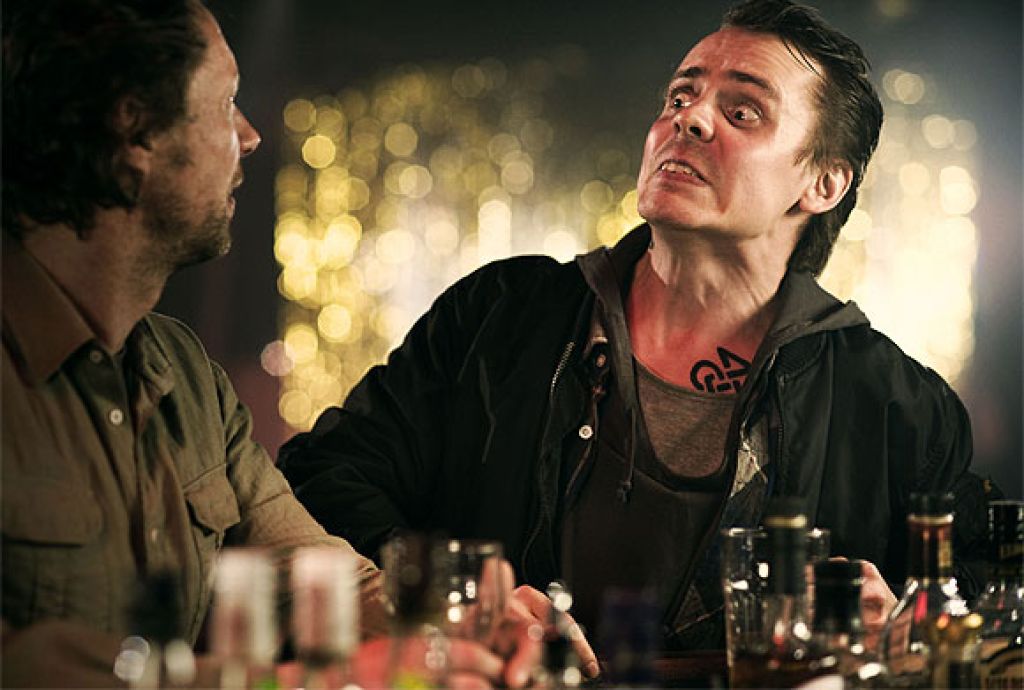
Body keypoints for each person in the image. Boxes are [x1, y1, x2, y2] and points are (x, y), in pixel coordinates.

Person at [279, 0, 995, 662]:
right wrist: (451, 598)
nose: (690, 120)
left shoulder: (894, 402)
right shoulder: (501, 315)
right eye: (680, 97)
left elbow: (989, 580)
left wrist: (916, 619)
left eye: (743, 111)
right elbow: (323, 481)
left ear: (823, 183)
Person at [1, 1, 541, 687]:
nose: (251, 136)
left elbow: (308, 572)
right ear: (135, 130)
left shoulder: (187, 376)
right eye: (227, 103)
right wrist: (303, 683)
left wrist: (454, 624)